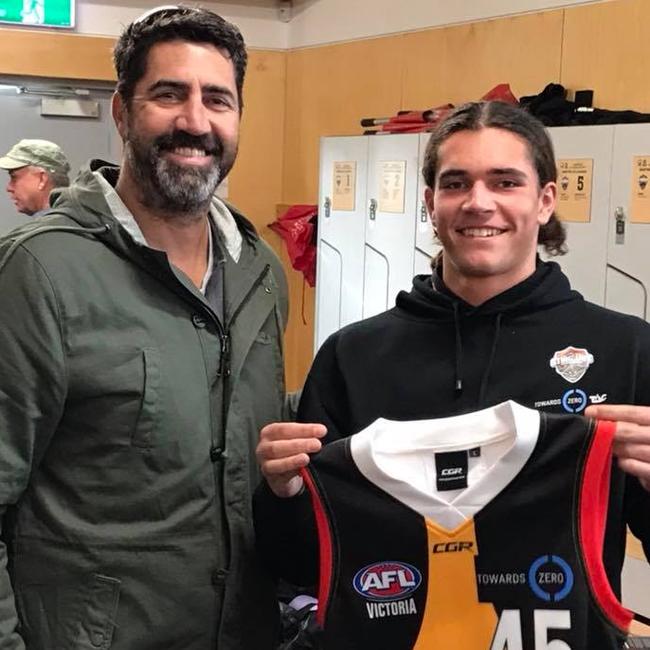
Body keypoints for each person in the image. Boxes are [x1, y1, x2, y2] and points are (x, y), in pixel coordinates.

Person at [254, 101, 650, 601]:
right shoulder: (353, 356)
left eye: (505, 182)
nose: (478, 202)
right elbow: (302, 563)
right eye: (456, 183)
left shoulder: (625, 349)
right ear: (430, 202)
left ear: (546, 201)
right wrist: (281, 492)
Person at [0, 6, 288, 650]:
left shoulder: (261, 272)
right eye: (168, 94)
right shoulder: (39, 270)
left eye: (218, 99)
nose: (195, 121)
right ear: (122, 113)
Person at [0, 139, 70, 217]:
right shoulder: (78, 219)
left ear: (42, 179)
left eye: (14, 177)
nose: (8, 188)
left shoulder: (53, 227)